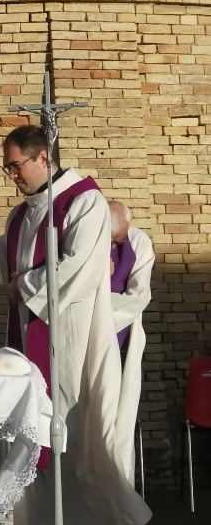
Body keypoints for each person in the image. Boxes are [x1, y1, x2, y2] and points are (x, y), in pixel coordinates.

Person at [0, 125, 151, 525]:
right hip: (28, 340)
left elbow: (78, 270)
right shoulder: (21, 214)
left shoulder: (85, 201)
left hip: (72, 342)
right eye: (6, 167)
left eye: (15, 165)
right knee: (31, 429)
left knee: (72, 433)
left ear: (43, 158)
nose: (11, 175)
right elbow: (6, 262)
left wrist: (22, 286)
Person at [109, 200, 154, 483]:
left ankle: (117, 485)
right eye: (113, 238)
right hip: (79, 343)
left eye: (120, 236)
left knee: (117, 420)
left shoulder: (138, 241)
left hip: (120, 339)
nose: (118, 241)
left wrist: (99, 309)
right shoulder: (85, 239)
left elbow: (138, 296)